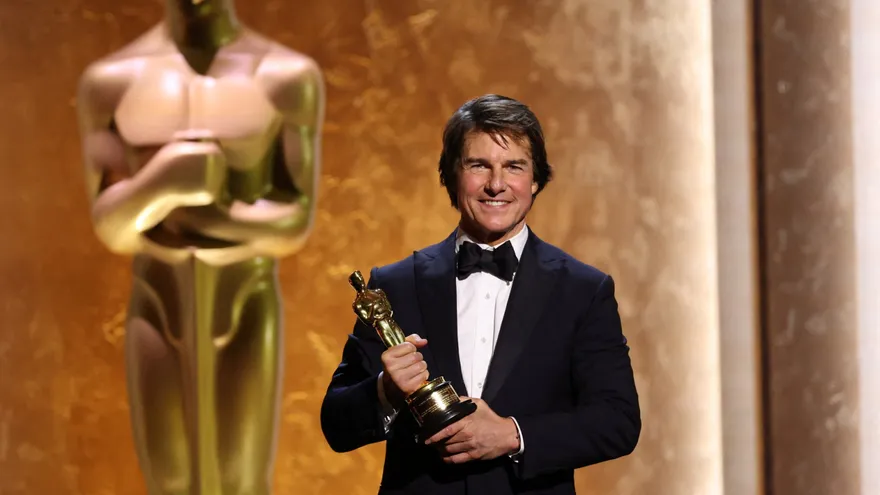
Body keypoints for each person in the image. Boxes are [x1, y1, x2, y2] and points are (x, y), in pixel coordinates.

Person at [320, 94, 639, 494]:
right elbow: (336, 425)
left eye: (514, 167)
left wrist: (512, 434)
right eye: (479, 165)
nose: (496, 184)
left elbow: (618, 420)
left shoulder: (583, 290)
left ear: (536, 179)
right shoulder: (394, 285)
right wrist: (384, 391)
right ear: (452, 176)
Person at [76, 1, 323, 493]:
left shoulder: (285, 76)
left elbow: (294, 220)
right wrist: (162, 184)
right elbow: (112, 225)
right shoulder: (111, 80)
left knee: (242, 478)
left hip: (244, 293)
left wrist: (206, 214)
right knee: (168, 478)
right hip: (156, 296)